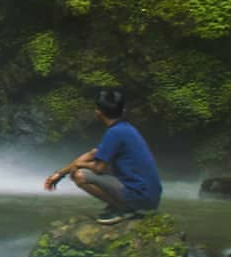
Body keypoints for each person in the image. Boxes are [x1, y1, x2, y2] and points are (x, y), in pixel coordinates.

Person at [43, 88, 162, 221]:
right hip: (150, 197)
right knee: (91, 168)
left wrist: (77, 165)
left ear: (98, 113)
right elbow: (91, 154)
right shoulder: (125, 129)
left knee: (79, 175)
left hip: (140, 197)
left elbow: (98, 168)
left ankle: (123, 209)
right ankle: (123, 205)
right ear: (123, 111)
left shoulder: (114, 133)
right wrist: (60, 173)